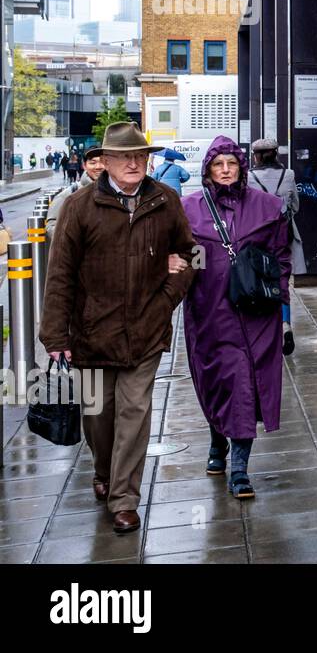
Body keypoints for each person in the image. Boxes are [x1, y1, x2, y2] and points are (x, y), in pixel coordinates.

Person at [40, 122, 197, 534]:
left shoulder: (165, 200)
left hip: (145, 331)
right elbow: (60, 275)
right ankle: (105, 471)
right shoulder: (79, 207)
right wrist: (54, 335)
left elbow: (191, 254)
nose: (134, 163)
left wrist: (166, 299)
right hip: (91, 335)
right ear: (104, 162)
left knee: (134, 412)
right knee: (99, 415)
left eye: (141, 156)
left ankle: (124, 498)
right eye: (124, 156)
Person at [179, 136, 291, 499]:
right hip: (209, 314)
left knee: (244, 383)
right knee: (216, 382)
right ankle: (217, 442)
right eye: (218, 164)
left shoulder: (267, 207)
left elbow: (281, 257)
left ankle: (240, 468)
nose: (225, 170)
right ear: (208, 170)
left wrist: (282, 307)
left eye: (231, 163)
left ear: (242, 166)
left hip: (257, 315)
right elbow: (182, 259)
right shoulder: (189, 209)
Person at [248, 138, 304, 350]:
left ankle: (265, 327)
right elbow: (295, 206)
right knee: (282, 280)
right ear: (275, 154)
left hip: (258, 238)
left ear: (256, 155)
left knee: (260, 281)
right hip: (283, 237)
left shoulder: (249, 177)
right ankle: (285, 323)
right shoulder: (288, 175)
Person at [45, 146, 108, 240]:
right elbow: (52, 225)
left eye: (102, 162)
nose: (98, 167)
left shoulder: (118, 191)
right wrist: (73, 244)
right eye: (93, 162)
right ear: (84, 165)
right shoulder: (70, 194)